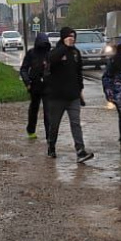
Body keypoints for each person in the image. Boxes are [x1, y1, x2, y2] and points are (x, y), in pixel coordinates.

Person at [45, 27, 94, 163]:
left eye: (73, 36)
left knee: (76, 123)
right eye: (69, 36)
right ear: (63, 38)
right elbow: (52, 60)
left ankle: (80, 151)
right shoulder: (56, 51)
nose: (72, 38)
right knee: (54, 125)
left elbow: (78, 73)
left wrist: (80, 90)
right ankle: (51, 146)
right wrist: (64, 47)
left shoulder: (76, 53)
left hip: (73, 97)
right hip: (57, 97)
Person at [19, 32, 51, 140]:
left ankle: (49, 135)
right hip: (34, 85)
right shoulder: (31, 53)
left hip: (47, 86)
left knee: (48, 111)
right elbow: (23, 69)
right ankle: (31, 130)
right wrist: (27, 82)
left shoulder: (49, 54)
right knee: (34, 109)